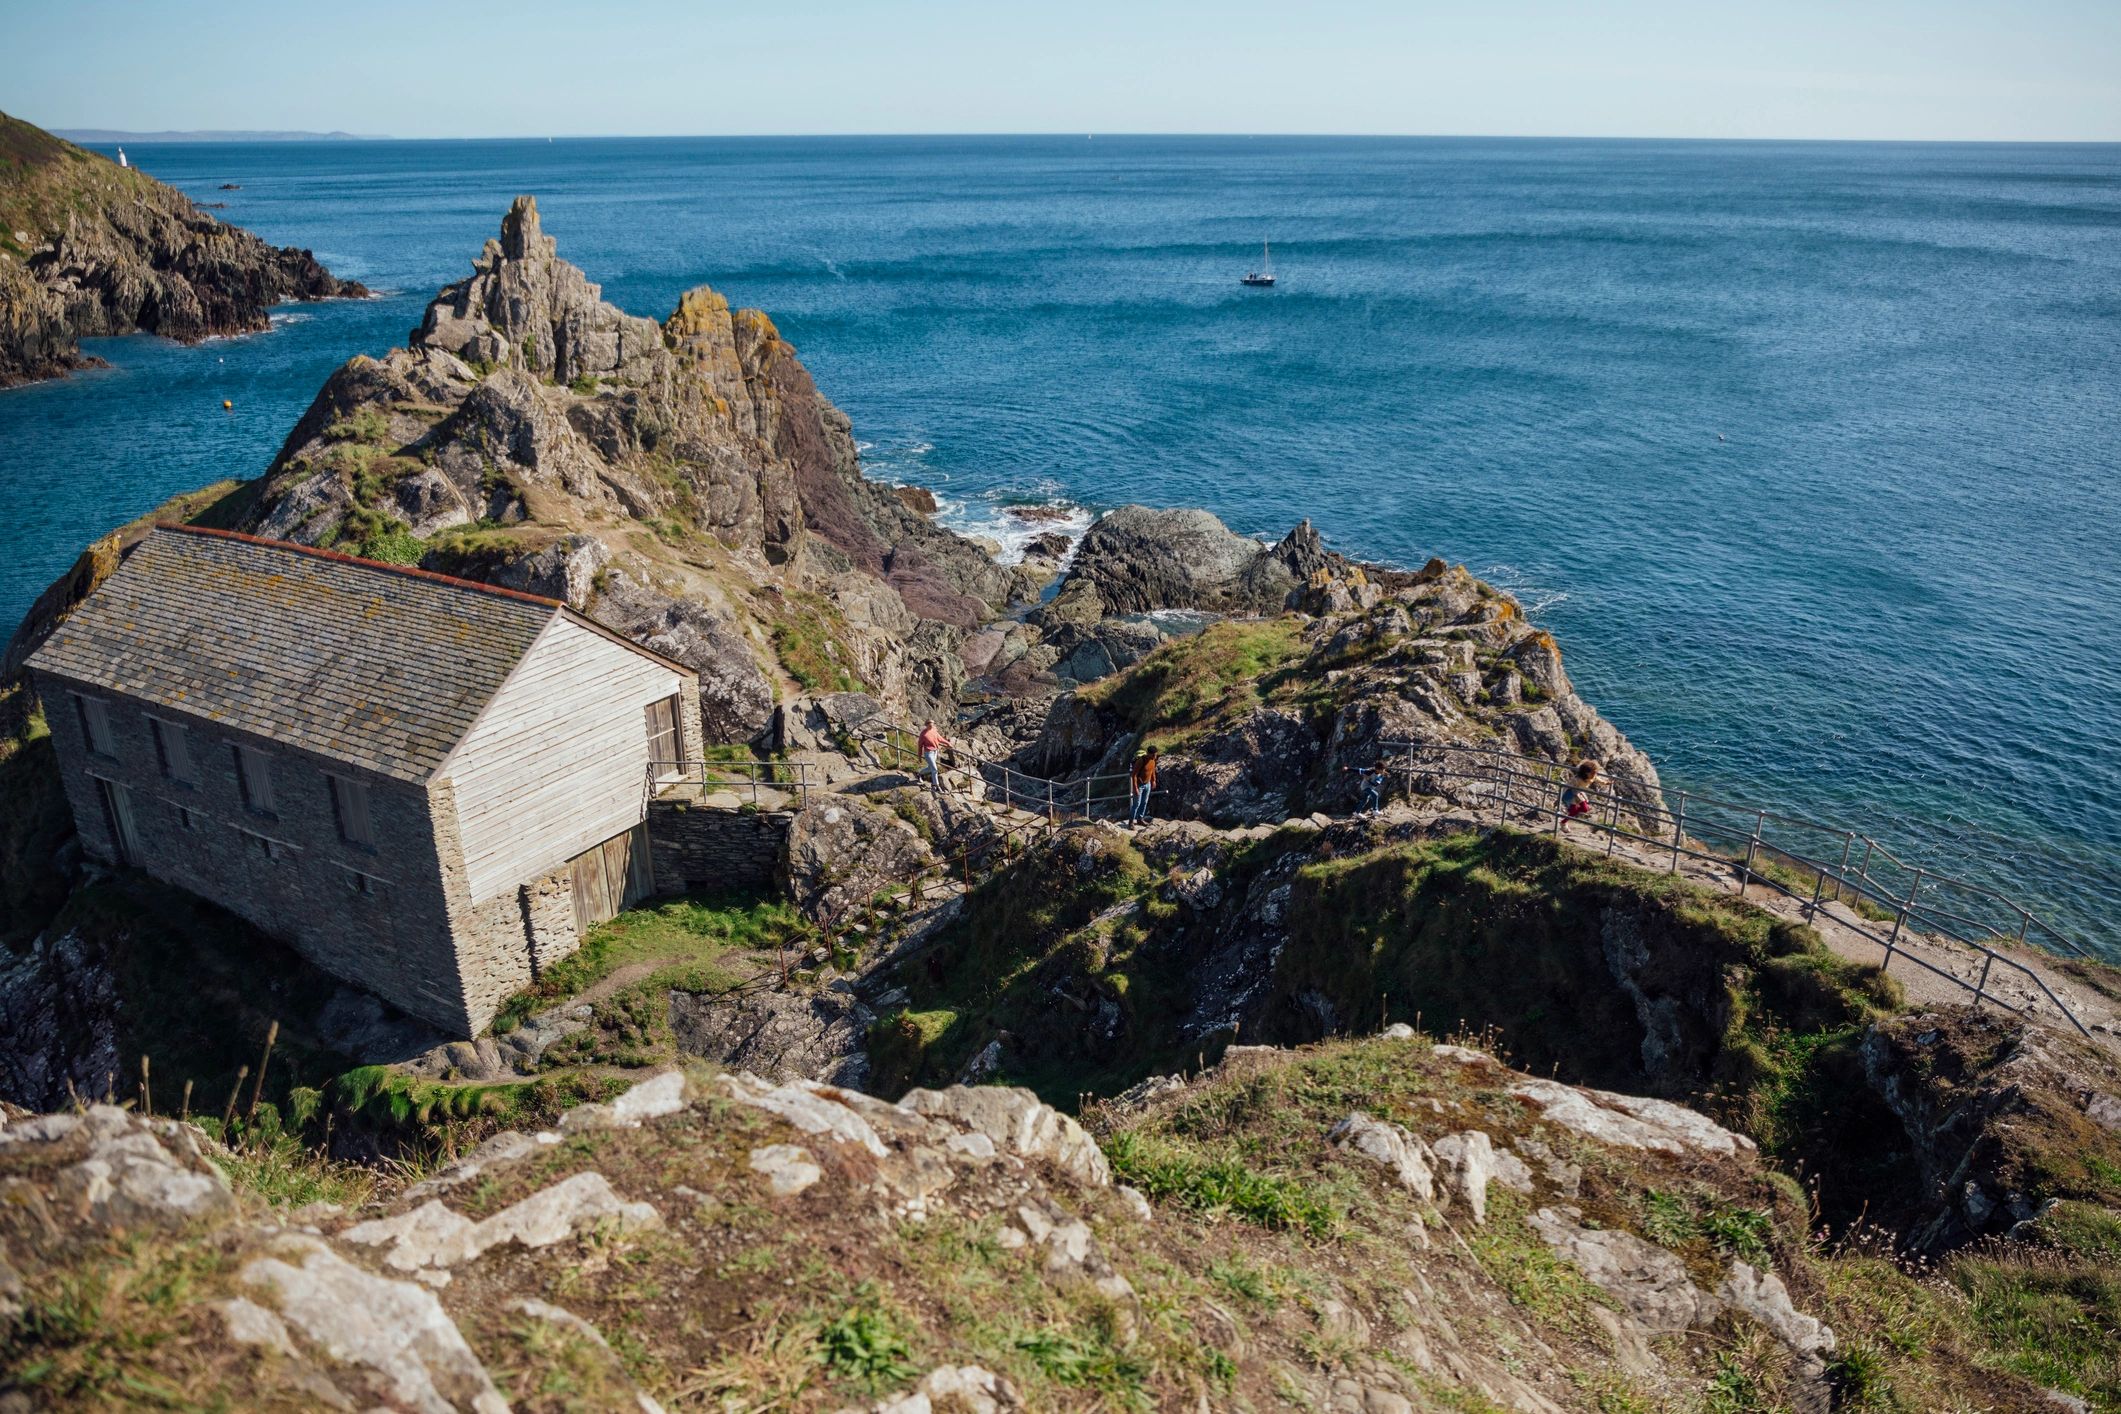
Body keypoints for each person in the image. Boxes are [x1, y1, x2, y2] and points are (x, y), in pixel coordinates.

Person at [1129, 745, 1159, 825]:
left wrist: (1154, 781)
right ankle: (1131, 822)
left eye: (1155, 754)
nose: (1155, 756)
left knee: (1144, 802)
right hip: (1139, 785)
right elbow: (1134, 775)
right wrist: (1135, 788)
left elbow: (1152, 771)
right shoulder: (1141, 761)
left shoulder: (1153, 760)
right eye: (1153, 755)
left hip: (1147, 784)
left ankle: (1140, 819)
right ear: (1149, 753)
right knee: (1136, 804)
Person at [916, 719, 949, 792]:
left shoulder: (934, 730)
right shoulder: (923, 734)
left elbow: (939, 738)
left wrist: (947, 743)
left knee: (930, 768)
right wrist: (919, 757)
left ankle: (919, 773)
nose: (931, 726)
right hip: (928, 753)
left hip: (935, 751)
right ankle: (935, 785)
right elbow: (920, 746)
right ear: (926, 725)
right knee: (934, 769)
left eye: (933, 724)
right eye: (930, 725)